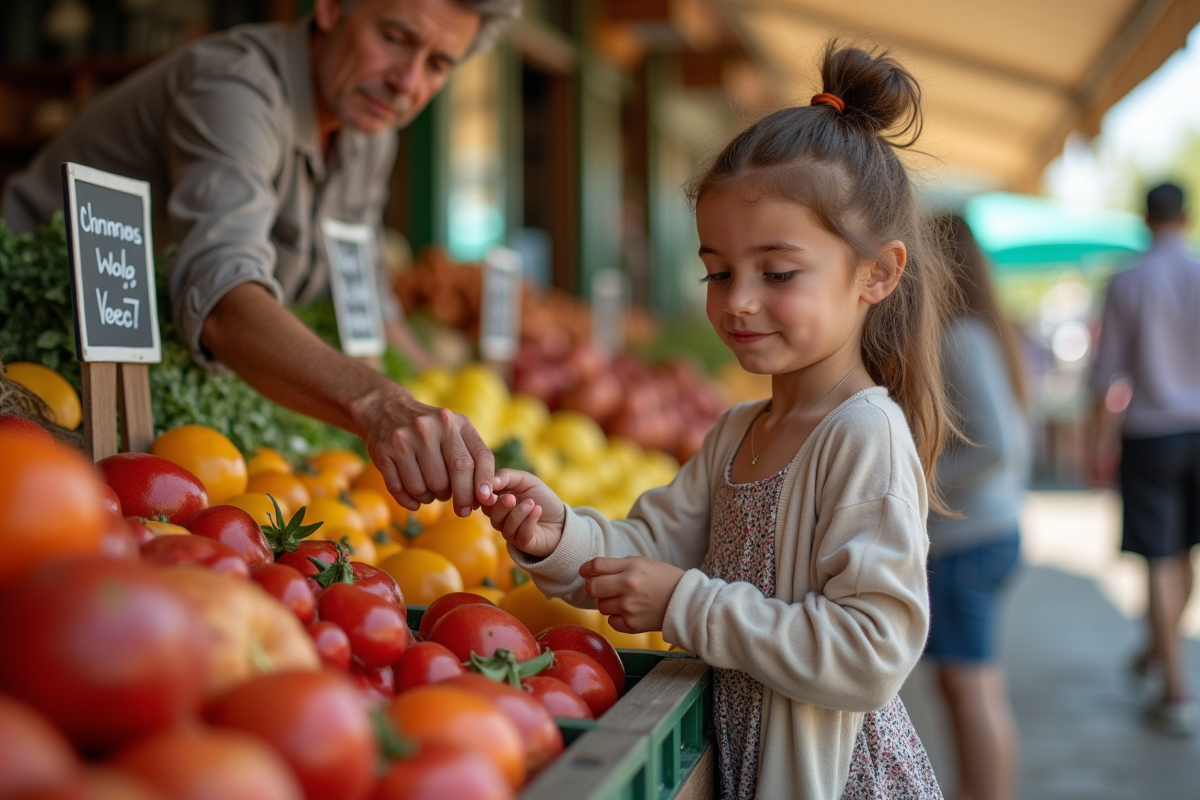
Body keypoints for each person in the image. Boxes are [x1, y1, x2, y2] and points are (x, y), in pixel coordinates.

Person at [479, 42, 951, 800]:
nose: (737, 301)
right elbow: (650, 545)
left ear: (877, 274)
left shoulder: (865, 438)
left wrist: (683, 603)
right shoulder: (737, 433)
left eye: (779, 272)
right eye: (718, 271)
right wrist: (556, 534)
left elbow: (872, 653)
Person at [0, 0, 522, 519]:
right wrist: (379, 404)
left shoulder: (368, 133)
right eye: (394, 37)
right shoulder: (234, 89)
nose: (407, 82)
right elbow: (223, 300)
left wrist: (448, 399)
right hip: (30, 362)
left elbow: (364, 292)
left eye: (437, 65)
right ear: (329, 8)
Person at [1088, 181, 1200, 736]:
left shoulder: (1126, 282)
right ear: (1189, 214)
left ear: (1144, 217)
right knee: (1186, 555)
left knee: (1159, 557)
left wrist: (1097, 444)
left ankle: (1175, 685)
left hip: (1150, 435)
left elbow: (1106, 374)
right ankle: (1161, 652)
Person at [925, 216, 1029, 800]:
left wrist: (920, 484)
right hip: (982, 533)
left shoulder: (961, 338)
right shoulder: (977, 334)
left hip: (972, 538)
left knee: (973, 689)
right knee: (964, 688)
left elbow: (996, 446)